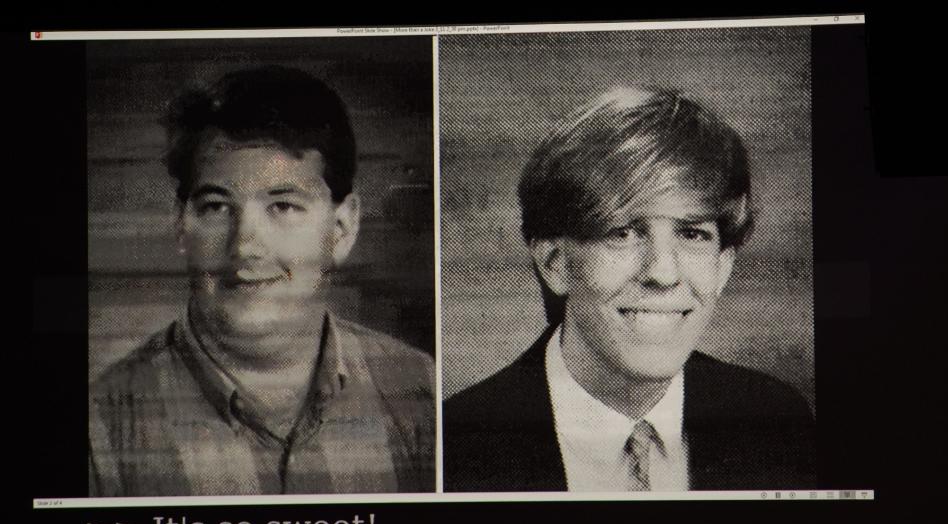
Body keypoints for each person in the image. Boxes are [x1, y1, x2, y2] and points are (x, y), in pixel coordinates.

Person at [443, 87, 815, 492]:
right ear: (555, 263)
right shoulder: (455, 446)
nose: (662, 272)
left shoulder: (775, 422)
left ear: (723, 266)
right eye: (622, 233)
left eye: (692, 233)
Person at [89, 66, 435, 496]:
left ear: (342, 229)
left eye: (284, 206)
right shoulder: (99, 430)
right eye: (216, 206)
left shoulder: (424, 395)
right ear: (182, 225)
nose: (246, 247)